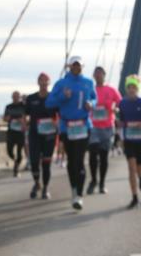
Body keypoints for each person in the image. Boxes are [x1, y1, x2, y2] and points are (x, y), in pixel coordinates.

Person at [47, 56, 96, 210]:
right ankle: (74, 188)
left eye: (79, 65)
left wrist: (91, 104)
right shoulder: (61, 84)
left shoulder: (88, 83)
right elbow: (49, 103)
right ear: (69, 66)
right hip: (67, 127)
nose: (77, 67)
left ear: (82, 67)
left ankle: (79, 196)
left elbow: (95, 98)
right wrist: (63, 96)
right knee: (72, 161)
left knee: (80, 161)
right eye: (74, 65)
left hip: (83, 126)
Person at [118, 75, 141, 208]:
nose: (131, 89)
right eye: (129, 87)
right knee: (131, 168)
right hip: (129, 140)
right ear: (126, 89)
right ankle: (134, 197)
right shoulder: (122, 103)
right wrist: (120, 133)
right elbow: (121, 121)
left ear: (137, 89)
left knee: (139, 169)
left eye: (133, 87)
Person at [87, 66, 121, 195]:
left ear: (104, 75)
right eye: (96, 74)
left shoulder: (111, 90)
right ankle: (93, 180)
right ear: (94, 76)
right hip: (93, 126)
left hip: (107, 127)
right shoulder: (90, 90)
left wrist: (115, 109)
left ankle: (102, 183)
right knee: (92, 154)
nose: (98, 76)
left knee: (103, 156)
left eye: (100, 74)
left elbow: (120, 104)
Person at [25, 73, 58, 199]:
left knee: (46, 163)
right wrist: (25, 121)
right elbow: (26, 114)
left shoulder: (53, 98)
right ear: (38, 82)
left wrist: (58, 125)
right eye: (41, 81)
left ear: (49, 83)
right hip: (35, 134)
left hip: (49, 134)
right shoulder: (31, 98)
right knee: (34, 162)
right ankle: (37, 183)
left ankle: (45, 188)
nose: (44, 83)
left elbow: (59, 115)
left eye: (46, 81)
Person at [3, 90, 26, 176]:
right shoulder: (8, 107)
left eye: (17, 96)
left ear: (19, 97)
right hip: (11, 132)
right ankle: (15, 160)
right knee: (9, 151)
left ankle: (16, 168)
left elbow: (28, 117)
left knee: (19, 151)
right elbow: (4, 118)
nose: (15, 98)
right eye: (14, 96)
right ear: (12, 97)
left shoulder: (23, 106)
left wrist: (23, 120)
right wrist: (8, 118)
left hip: (20, 132)